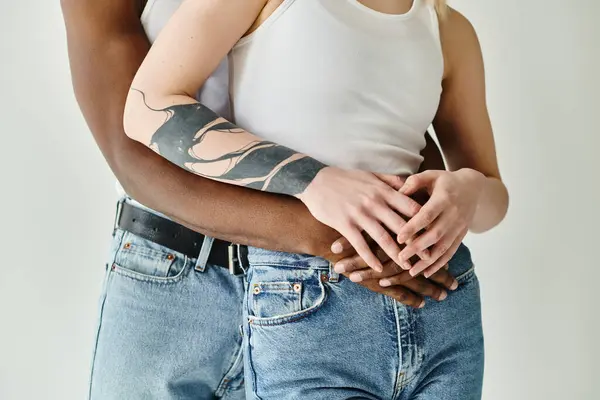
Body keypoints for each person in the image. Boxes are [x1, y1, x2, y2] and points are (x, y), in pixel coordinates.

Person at [61, 0, 464, 399]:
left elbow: (370, 116)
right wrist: (340, 239)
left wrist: (411, 222)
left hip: (318, 290)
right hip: (178, 283)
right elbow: (130, 152)